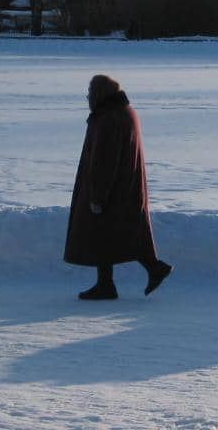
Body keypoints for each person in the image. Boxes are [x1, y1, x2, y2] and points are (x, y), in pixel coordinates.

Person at [64, 74, 172, 300]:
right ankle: (126, 276)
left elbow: (104, 160)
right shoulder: (125, 112)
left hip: (113, 189)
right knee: (118, 234)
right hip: (126, 187)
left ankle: (115, 281)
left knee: (104, 232)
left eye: (90, 93)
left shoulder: (107, 119)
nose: (87, 97)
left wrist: (97, 196)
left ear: (99, 94)